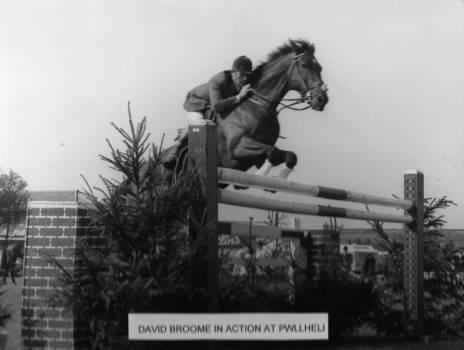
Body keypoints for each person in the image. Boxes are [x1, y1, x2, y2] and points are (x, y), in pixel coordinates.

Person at [168, 56, 254, 159]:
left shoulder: (242, 80)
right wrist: (239, 96)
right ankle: (177, 148)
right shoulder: (217, 81)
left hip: (212, 107)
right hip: (196, 103)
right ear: (233, 72)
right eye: (242, 75)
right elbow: (217, 106)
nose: (245, 79)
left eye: (247, 75)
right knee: (200, 125)